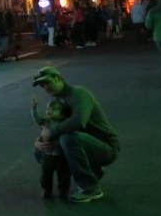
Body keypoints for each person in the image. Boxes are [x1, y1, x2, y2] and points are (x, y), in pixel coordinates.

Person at [31, 67, 119, 203]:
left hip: (106, 147)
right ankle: (94, 171)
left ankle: (91, 189)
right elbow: (49, 127)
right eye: (42, 85)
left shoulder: (78, 93)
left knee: (67, 138)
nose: (45, 88)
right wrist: (38, 142)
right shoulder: (58, 103)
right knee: (41, 152)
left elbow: (79, 121)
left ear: (59, 78)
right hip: (84, 144)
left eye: (47, 82)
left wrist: (52, 133)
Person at [29, 95, 71, 199]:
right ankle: (47, 190)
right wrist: (34, 107)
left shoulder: (64, 124)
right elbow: (37, 118)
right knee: (45, 175)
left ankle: (63, 191)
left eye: (53, 110)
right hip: (47, 156)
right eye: (48, 109)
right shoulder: (46, 122)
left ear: (61, 115)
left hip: (62, 157)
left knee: (63, 176)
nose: (49, 111)